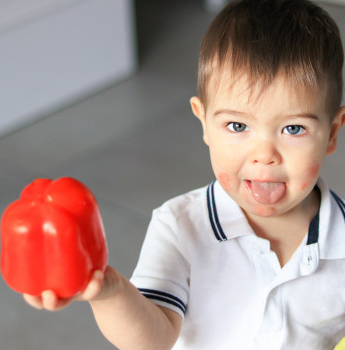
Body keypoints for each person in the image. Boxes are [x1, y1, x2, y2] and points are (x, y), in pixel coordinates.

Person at [24, 0, 345, 349]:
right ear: (203, 121)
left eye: (293, 129)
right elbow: (152, 339)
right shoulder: (179, 226)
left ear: (331, 132)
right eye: (238, 125)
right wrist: (108, 291)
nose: (264, 156)